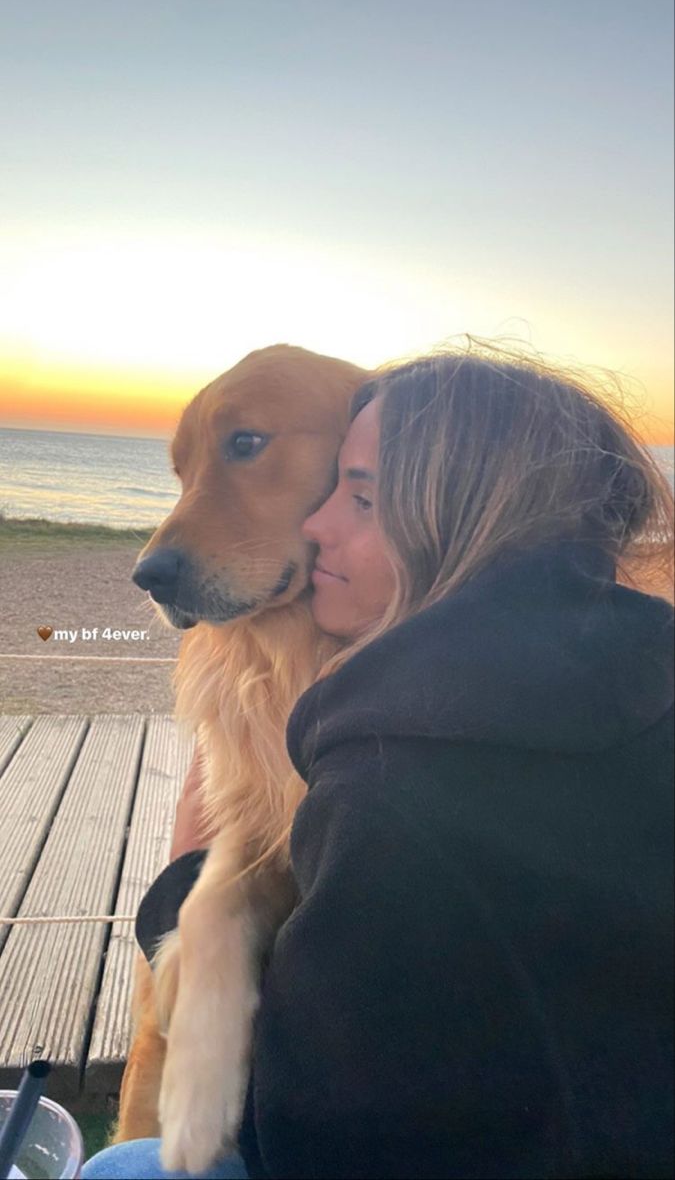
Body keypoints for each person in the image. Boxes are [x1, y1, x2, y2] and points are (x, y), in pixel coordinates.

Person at [83, 342, 674, 1180]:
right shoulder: (636, 662)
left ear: (452, 518)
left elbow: (321, 1116)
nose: (322, 519)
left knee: (124, 1170)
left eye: (359, 496)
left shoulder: (397, 784)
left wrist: (183, 895)